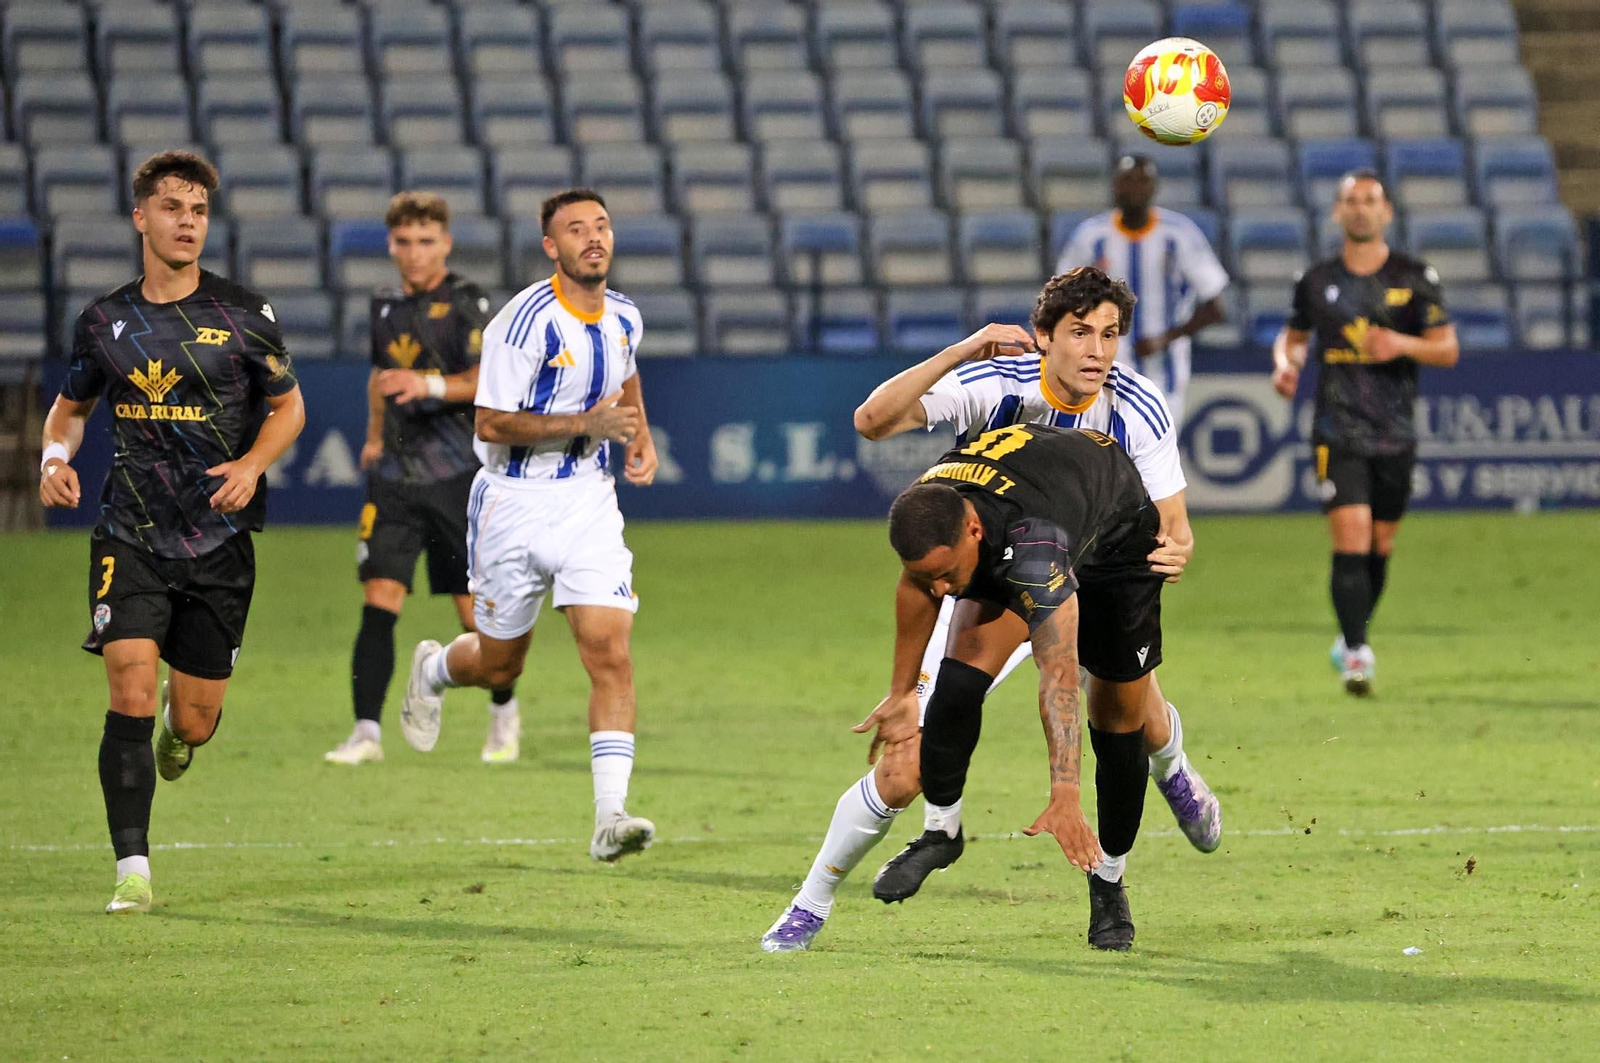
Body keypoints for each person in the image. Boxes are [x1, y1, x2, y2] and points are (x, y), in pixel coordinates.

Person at [762, 270, 1220, 954]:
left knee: (1121, 713)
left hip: (1105, 559)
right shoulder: (997, 381)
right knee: (907, 760)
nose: (1097, 351)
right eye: (1079, 333)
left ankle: (1164, 780)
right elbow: (872, 421)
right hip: (997, 555)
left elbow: (1171, 525)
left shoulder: (1138, 406)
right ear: (1043, 338)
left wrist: (1179, 547)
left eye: (1109, 335)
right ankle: (809, 904)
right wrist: (962, 348)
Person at [38, 150, 306, 914]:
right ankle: (133, 868)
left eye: (197, 211)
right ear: (141, 218)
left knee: (193, 715)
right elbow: (69, 408)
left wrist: (253, 464)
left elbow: (290, 408)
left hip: (219, 540)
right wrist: (54, 455)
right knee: (128, 674)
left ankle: (180, 734)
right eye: (172, 208)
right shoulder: (104, 322)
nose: (187, 222)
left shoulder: (243, 316)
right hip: (130, 532)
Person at [398, 189, 661, 862]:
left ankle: (610, 816)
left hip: (585, 501)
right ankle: (433, 669)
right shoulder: (525, 321)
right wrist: (587, 424)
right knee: (496, 663)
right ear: (552, 247)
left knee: (609, 648)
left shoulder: (626, 316)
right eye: (576, 229)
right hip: (511, 503)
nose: (593, 237)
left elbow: (625, 377)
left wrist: (639, 436)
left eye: (601, 224)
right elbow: (489, 422)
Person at [324, 192, 519, 767]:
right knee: (379, 600)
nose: (414, 254)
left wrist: (428, 386)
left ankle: (503, 711)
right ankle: (365, 731)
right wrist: (375, 436)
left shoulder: (466, 302)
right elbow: (382, 376)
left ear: (446, 244)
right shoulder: (383, 304)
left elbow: (487, 378)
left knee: (473, 613)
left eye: (426, 241)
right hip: (393, 478)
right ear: (391, 245)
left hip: (458, 475)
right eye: (404, 242)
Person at [1270, 170, 1458, 695]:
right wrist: (1285, 366)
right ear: (1337, 212)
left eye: (1370, 201)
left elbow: (1447, 349)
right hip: (1337, 428)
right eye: (1350, 201)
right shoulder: (1315, 280)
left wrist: (1401, 344)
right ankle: (1356, 654)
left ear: (1387, 211)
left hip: (1396, 431)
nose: (1360, 209)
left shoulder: (1417, 277)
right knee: (1351, 538)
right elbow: (1292, 340)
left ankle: (1351, 634)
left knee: (1380, 544)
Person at [1056, 154, 1230, 428]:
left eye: (1142, 181)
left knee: (1155, 461)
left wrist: (1166, 338)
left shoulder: (1179, 234)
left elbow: (1216, 306)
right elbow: (1062, 298)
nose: (1134, 188)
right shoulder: (1091, 236)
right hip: (1102, 370)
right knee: (1108, 458)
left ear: (1154, 187)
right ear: (1114, 185)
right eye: (1127, 180)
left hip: (1164, 372)